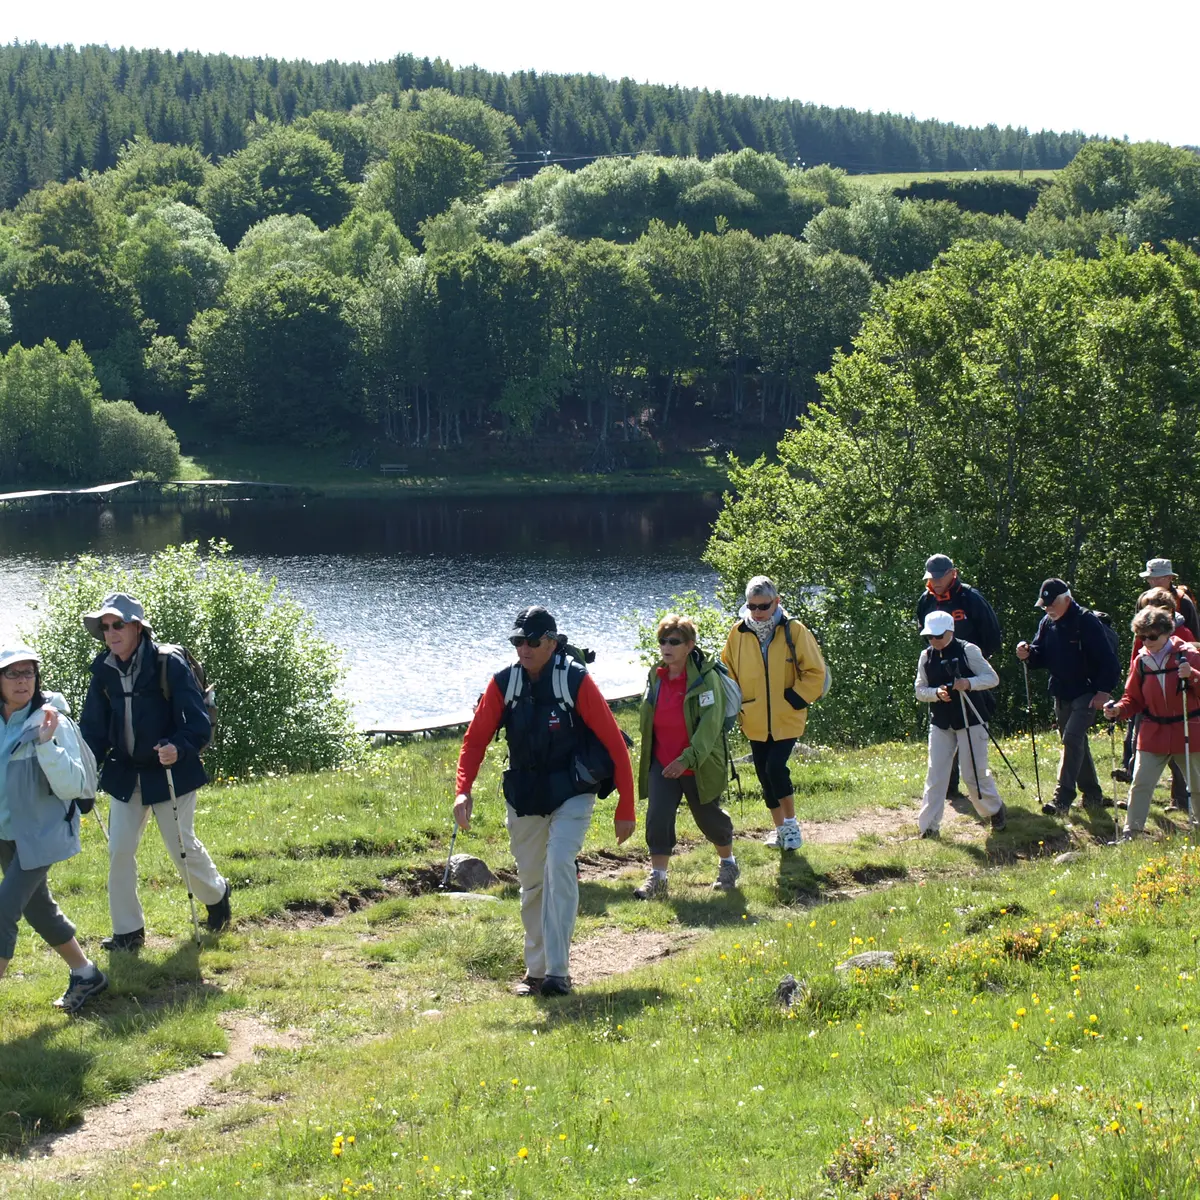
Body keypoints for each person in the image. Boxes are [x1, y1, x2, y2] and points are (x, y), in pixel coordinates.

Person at [453, 606, 635, 997]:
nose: (524, 648)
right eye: (518, 641)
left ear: (551, 642)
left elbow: (615, 744)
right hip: (526, 795)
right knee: (533, 883)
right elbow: (475, 739)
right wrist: (463, 790)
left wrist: (627, 806)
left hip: (573, 792)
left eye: (532, 641)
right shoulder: (505, 684)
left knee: (558, 865)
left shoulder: (575, 681)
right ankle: (535, 972)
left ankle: (558, 972)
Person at [79, 593, 230, 952]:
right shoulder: (103, 670)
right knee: (119, 851)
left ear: (137, 628)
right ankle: (128, 933)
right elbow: (93, 732)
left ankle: (217, 895)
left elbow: (197, 724)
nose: (111, 633)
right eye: (105, 627)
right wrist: (81, 772)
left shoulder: (168, 663)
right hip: (126, 774)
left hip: (170, 772)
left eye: (118, 625)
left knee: (181, 848)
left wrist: (177, 746)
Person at [1, 645, 108, 1013]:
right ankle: (86, 973)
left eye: (28, 672)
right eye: (12, 673)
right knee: (38, 909)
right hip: (6, 833)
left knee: (3, 911)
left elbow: (75, 785)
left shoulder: (51, 722)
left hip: (42, 833)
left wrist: (47, 747)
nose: (22, 681)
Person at [633, 615, 737, 899]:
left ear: (689, 645)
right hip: (662, 763)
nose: (666, 647)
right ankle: (659, 878)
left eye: (674, 641)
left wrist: (687, 760)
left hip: (697, 764)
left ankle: (728, 863)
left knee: (708, 818)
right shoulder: (656, 675)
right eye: (663, 641)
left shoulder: (707, 679)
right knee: (657, 817)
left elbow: (710, 726)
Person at [721, 576, 826, 850]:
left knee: (775, 768)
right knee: (763, 775)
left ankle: (791, 826)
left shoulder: (795, 630)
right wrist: (734, 706)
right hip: (753, 719)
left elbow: (816, 672)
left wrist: (795, 698)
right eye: (752, 606)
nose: (757, 612)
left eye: (763, 606)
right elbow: (727, 673)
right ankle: (779, 830)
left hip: (787, 717)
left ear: (776, 602)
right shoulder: (738, 633)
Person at [1016, 578, 1121, 817]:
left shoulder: (1086, 621)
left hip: (1088, 691)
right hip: (1061, 692)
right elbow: (1039, 655)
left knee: (1072, 739)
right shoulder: (1046, 623)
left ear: (1067, 599)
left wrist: (1103, 692)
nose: (1048, 609)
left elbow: (1109, 662)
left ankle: (1062, 800)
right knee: (1076, 741)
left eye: (1052, 604)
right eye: (1045, 605)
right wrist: (1027, 653)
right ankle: (1093, 795)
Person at [1102, 606, 1200, 838]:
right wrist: (1117, 710)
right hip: (1153, 732)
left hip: (1189, 730)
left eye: (1152, 636)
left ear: (1167, 632)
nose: (1146, 641)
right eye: (1142, 636)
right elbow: (1133, 699)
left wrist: (1193, 675)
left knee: (1197, 786)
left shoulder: (1189, 655)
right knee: (1140, 784)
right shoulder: (1142, 662)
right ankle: (1131, 832)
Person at [915, 554, 1002, 799]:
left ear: (953, 573)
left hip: (971, 671)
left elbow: (992, 634)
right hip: (938, 673)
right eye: (932, 578)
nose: (936, 582)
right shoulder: (926, 601)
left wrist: (974, 665)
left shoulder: (970, 598)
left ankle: (981, 791)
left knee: (971, 725)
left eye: (940, 576)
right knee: (943, 723)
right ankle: (949, 789)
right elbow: (924, 633)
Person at [913, 612, 1006, 838]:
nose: (933, 640)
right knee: (936, 775)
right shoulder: (926, 656)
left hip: (971, 719)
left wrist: (968, 683)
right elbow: (919, 690)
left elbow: (992, 678)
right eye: (930, 636)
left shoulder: (968, 650)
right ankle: (929, 827)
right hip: (941, 722)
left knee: (972, 774)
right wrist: (936, 693)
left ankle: (994, 810)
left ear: (950, 632)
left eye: (938, 636)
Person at [1139, 558, 1199, 642]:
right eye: (1150, 578)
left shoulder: (1183, 599)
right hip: (1149, 651)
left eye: (1159, 578)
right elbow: (1138, 631)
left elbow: (1195, 633)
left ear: (1170, 578)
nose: (1154, 582)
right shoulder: (1144, 599)